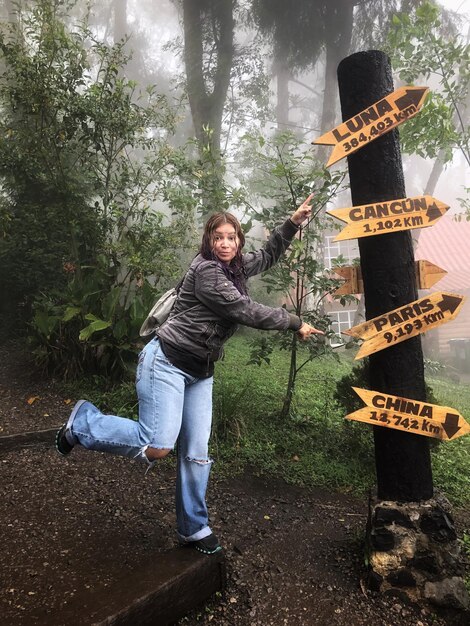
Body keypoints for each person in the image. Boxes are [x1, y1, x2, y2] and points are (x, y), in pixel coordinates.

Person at [56, 194, 324, 555]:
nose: (225, 243)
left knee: (197, 452)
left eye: (231, 237)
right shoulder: (208, 272)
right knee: (156, 446)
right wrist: (294, 322)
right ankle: (83, 424)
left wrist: (292, 223)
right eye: (218, 237)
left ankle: (193, 528)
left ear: (238, 240)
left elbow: (269, 255)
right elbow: (244, 309)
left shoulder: (236, 266)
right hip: (166, 361)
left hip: (201, 371)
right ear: (208, 241)